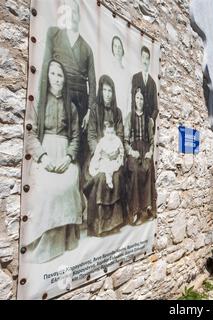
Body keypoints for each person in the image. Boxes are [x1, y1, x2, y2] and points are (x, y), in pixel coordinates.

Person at [23, 59, 82, 263]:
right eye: (53, 74)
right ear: (47, 77)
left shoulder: (71, 106)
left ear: (64, 79)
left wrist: (68, 157)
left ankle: (68, 240)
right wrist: (43, 157)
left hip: (64, 154)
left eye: (60, 74)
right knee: (48, 190)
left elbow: (76, 137)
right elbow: (30, 134)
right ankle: (46, 246)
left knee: (69, 185)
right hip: (46, 153)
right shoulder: (39, 102)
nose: (57, 78)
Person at [42, 0, 96, 175]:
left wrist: (89, 109)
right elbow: (45, 66)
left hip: (80, 98)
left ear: (79, 16)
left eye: (75, 12)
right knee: (56, 131)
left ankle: (76, 183)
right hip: (57, 91)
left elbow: (93, 81)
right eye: (69, 11)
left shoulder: (86, 48)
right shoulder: (55, 34)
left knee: (77, 139)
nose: (72, 15)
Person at [84, 75, 125, 236]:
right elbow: (92, 135)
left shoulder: (118, 112)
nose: (107, 94)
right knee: (100, 177)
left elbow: (120, 134)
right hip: (98, 155)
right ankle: (98, 225)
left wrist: (114, 151)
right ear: (101, 91)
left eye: (110, 91)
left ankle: (113, 223)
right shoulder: (95, 110)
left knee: (116, 176)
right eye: (105, 90)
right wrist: (100, 153)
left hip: (114, 156)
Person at [124, 86, 156, 225]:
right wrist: (131, 152)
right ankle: (136, 211)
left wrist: (150, 152)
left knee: (148, 168)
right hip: (134, 150)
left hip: (145, 150)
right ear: (134, 100)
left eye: (142, 98)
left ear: (144, 101)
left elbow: (151, 140)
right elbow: (125, 140)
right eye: (137, 98)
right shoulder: (129, 117)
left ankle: (147, 208)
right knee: (136, 171)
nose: (139, 101)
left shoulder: (148, 120)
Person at [89, 121, 124, 190]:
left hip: (114, 160)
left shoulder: (117, 140)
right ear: (104, 133)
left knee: (112, 167)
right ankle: (106, 177)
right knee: (102, 165)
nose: (110, 135)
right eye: (108, 133)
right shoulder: (102, 141)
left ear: (114, 132)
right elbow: (97, 153)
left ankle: (109, 178)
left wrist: (120, 159)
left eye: (112, 133)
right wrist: (96, 161)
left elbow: (121, 150)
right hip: (104, 160)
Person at [131, 45, 158, 122]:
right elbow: (132, 101)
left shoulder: (153, 83)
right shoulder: (135, 78)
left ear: (149, 61)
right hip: (137, 121)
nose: (145, 61)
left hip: (149, 124)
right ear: (140, 59)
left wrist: (152, 120)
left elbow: (156, 108)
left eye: (147, 58)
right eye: (143, 57)